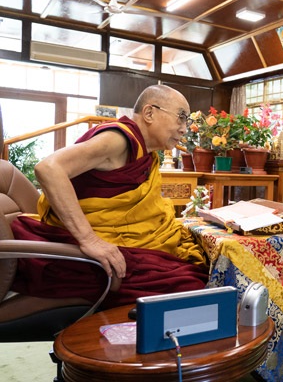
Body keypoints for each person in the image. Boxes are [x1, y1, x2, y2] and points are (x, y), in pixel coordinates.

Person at [1, 85, 209, 316]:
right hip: (73, 249)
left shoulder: (143, 152)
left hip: (113, 237)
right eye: (181, 118)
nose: (184, 128)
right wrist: (89, 239)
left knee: (192, 263)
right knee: (188, 284)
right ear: (149, 113)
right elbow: (49, 168)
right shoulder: (118, 139)